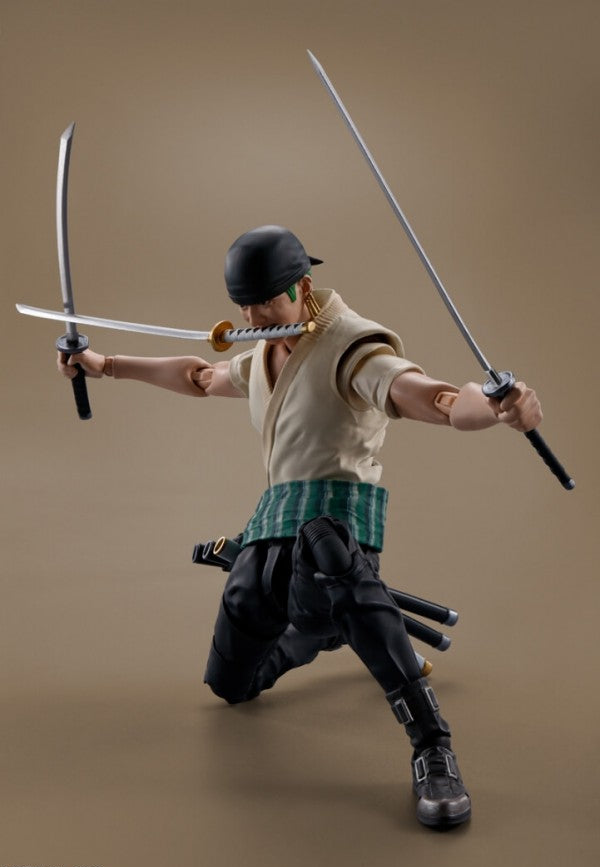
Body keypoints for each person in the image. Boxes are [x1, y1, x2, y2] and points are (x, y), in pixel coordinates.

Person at [58, 225, 542, 829]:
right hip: (273, 524)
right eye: (245, 305)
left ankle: (432, 746)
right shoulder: (262, 353)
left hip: (335, 525)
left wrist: (494, 407)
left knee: (328, 554)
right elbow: (200, 378)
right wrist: (105, 365)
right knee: (231, 683)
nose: (255, 317)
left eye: (267, 301)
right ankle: (323, 630)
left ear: (303, 289)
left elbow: (433, 399)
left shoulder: (352, 348)